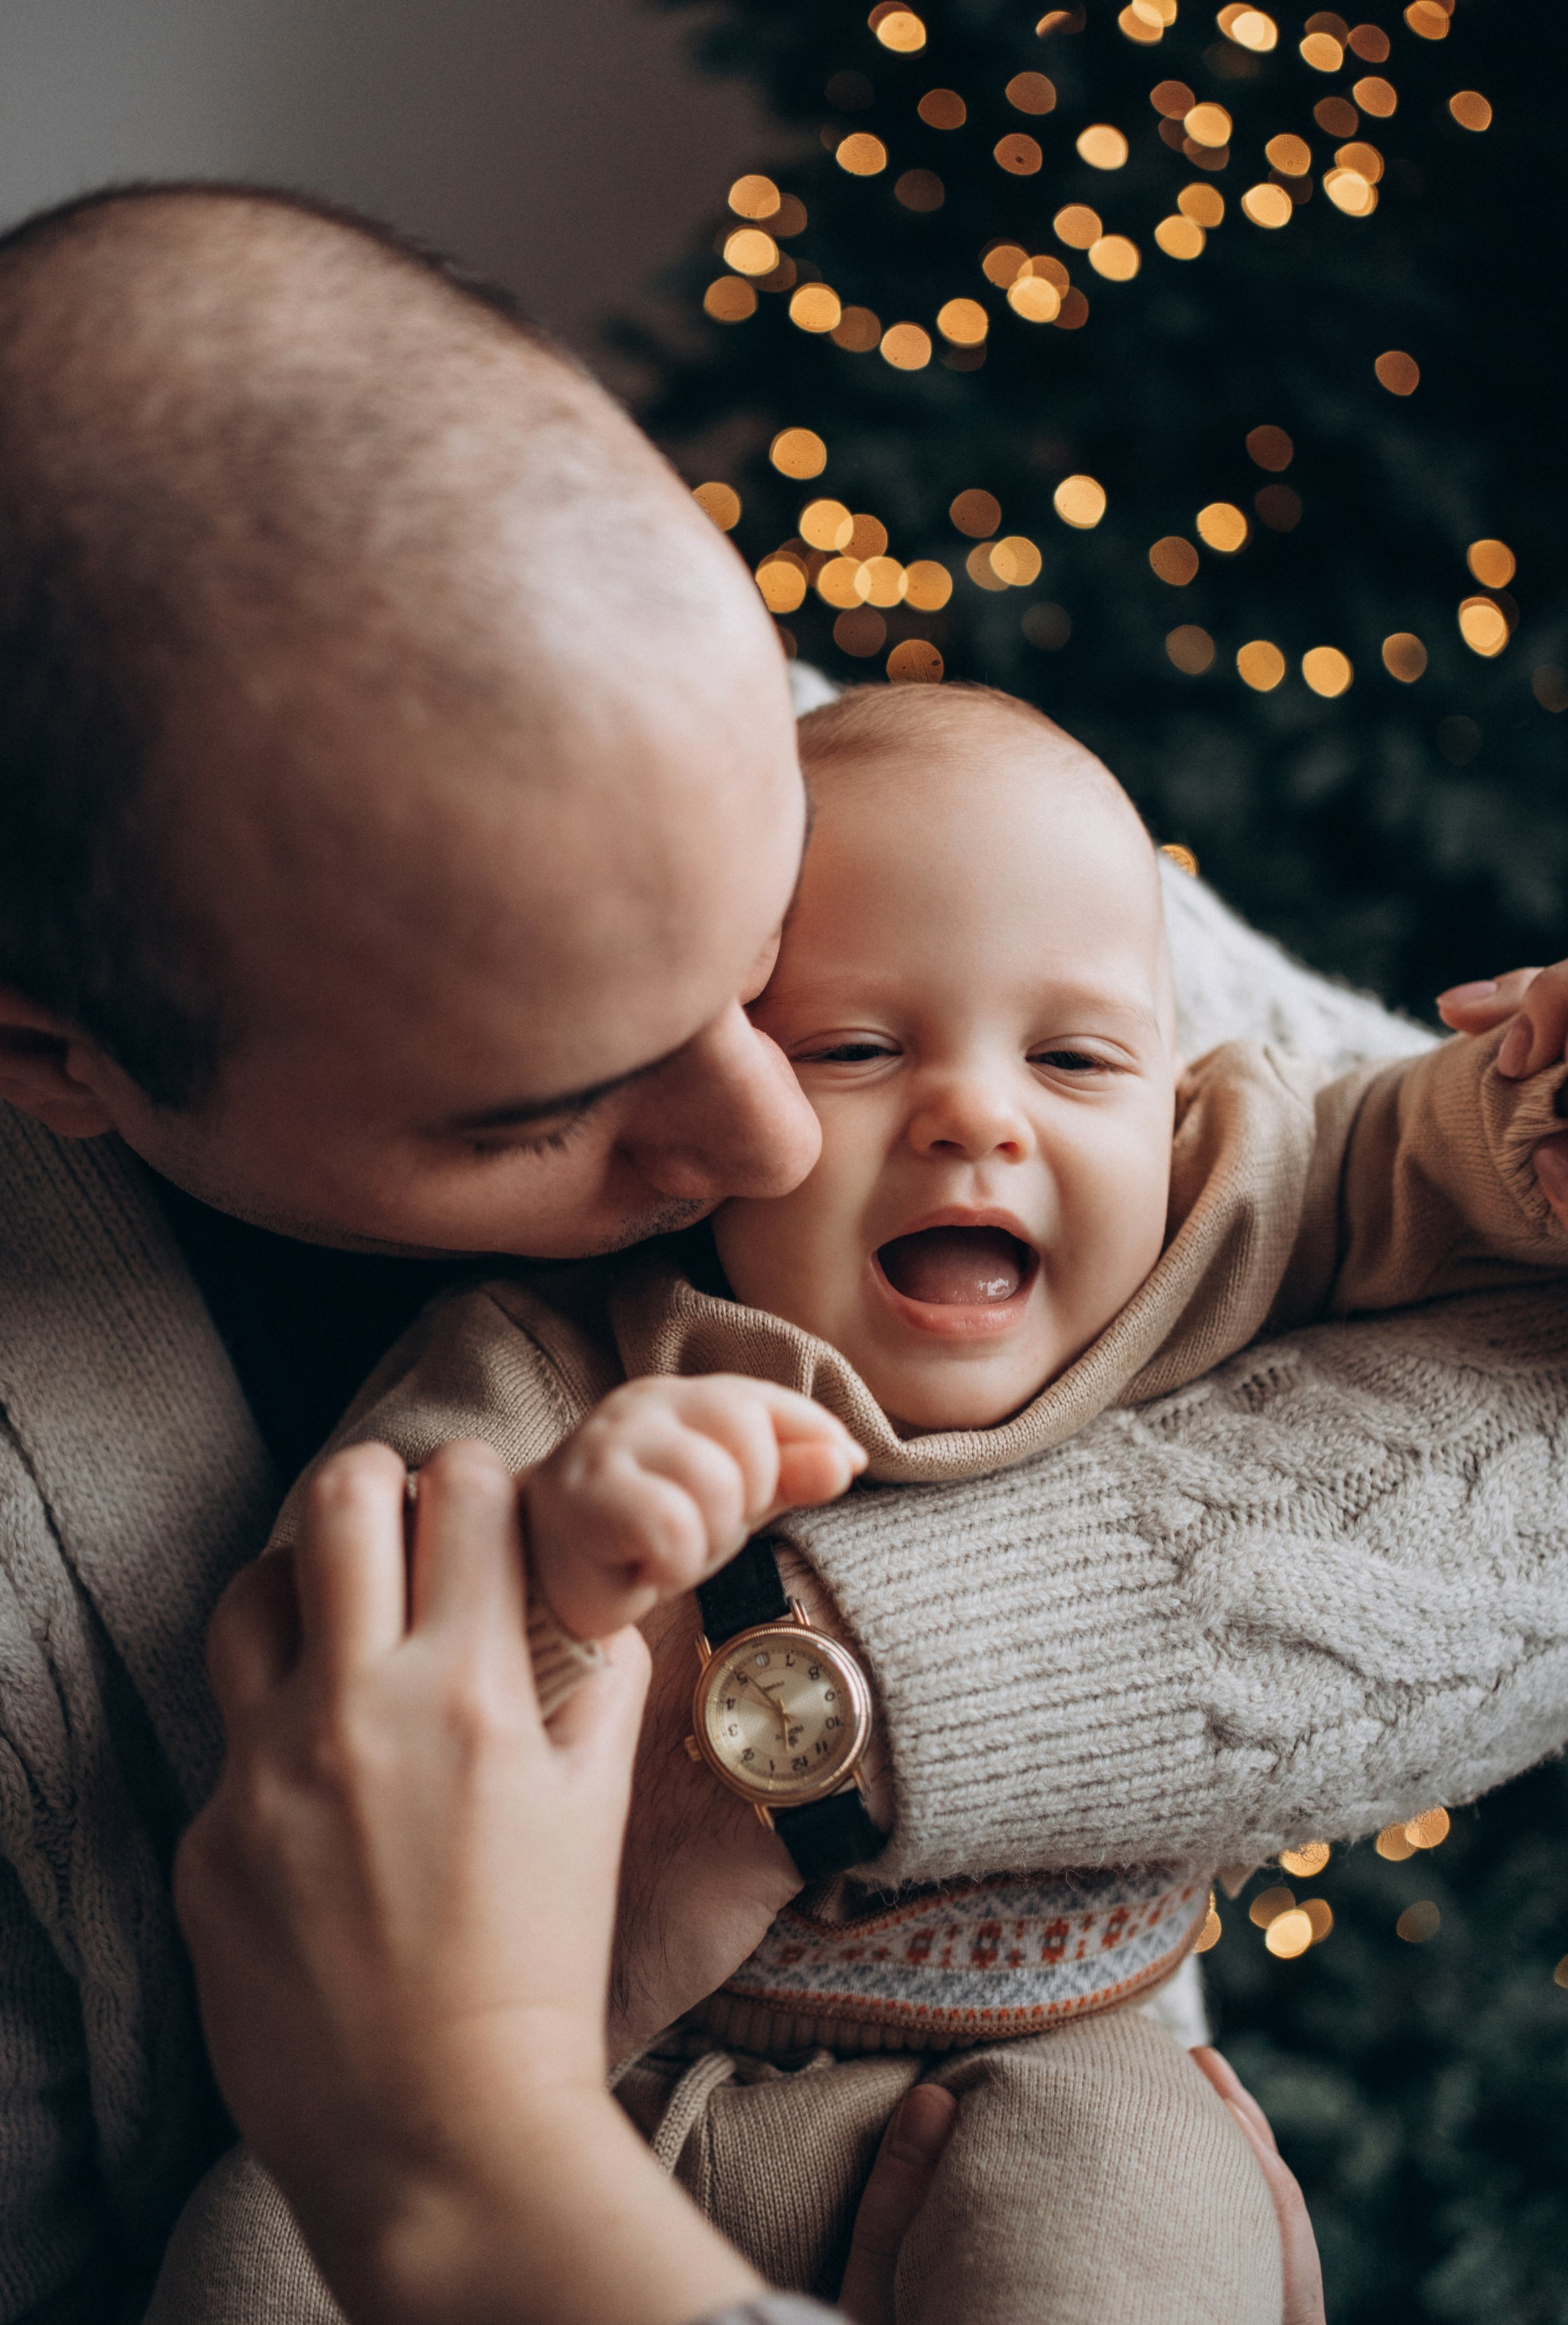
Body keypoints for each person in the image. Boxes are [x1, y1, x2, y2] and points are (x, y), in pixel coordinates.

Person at [0, 179, 1558, 2318]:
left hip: (1024, 2114)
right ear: (48, 1054)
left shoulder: (868, 774)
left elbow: (1499, 1330)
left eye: (762, 953)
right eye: (544, 1107)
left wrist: (815, 1717)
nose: (771, 1123)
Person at [276, 684, 1568, 2322]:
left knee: (1153, 2231)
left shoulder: (1195, 1225)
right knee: (267, 2236)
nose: (977, 1114)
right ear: (711, 1098)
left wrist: (1527, 1117)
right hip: (589, 2082)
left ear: (1170, 1093)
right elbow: (359, 1629)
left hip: (1046, 2077)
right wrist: (555, 1554)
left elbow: (1395, 1152)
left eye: (1075, 1056)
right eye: (859, 1050)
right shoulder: (578, 1350)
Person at [172, 1433, 1327, 2325]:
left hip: (1038, 2055)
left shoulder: (1203, 1257)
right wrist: (562, 1529)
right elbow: (394, 1554)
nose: (976, 1118)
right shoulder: (586, 1328)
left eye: (1078, 1098)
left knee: (1157, 2185)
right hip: (596, 2019)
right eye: (852, 1100)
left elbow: (1392, 1199)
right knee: (260, 2241)